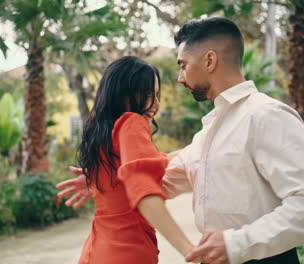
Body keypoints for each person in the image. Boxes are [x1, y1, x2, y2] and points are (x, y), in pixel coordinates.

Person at [57, 18, 304, 264]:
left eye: (183, 65)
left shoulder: (265, 115)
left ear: (210, 60)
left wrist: (237, 244)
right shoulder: (207, 134)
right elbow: (161, 177)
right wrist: (108, 178)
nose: (180, 78)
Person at [56, 56, 199, 264]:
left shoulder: (103, 133)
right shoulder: (132, 122)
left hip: (96, 252)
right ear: (123, 93)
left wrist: (98, 182)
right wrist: (189, 249)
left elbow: (158, 162)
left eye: (157, 94)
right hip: (126, 254)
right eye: (149, 94)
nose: (157, 104)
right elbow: (143, 191)